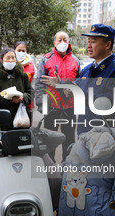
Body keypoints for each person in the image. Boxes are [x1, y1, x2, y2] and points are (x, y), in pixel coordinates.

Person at [41, 24, 115, 137]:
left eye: (94, 41)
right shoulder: (88, 69)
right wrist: (60, 84)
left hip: (103, 135)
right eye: (88, 41)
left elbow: (105, 104)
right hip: (83, 131)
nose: (89, 46)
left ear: (108, 44)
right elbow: (74, 90)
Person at [35, 31, 80, 161]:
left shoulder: (75, 60)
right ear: (54, 43)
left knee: (70, 139)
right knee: (49, 140)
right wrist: (42, 104)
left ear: (69, 42)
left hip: (70, 108)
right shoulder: (46, 59)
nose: (62, 43)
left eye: (65, 40)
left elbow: (80, 83)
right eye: (59, 40)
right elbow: (39, 84)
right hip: (51, 107)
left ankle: (67, 168)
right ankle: (50, 171)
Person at [0, 47, 34, 130]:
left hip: (20, 116)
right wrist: (9, 100)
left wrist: (23, 98)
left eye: (13, 57)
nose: (11, 60)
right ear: (1, 60)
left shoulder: (22, 75)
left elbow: (30, 91)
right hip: (2, 116)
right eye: (8, 58)